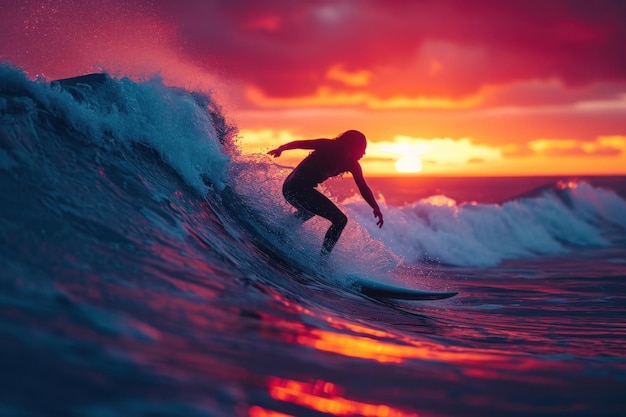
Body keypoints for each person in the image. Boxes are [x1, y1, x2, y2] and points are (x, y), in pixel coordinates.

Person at [267, 130, 384, 255]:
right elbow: (300, 144)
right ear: (353, 146)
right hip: (296, 187)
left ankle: (280, 232)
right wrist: (281, 149)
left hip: (293, 189)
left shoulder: (352, 165)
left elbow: (363, 187)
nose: (364, 153)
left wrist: (375, 207)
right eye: (362, 148)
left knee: (308, 212)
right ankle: (323, 258)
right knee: (340, 220)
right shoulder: (328, 146)